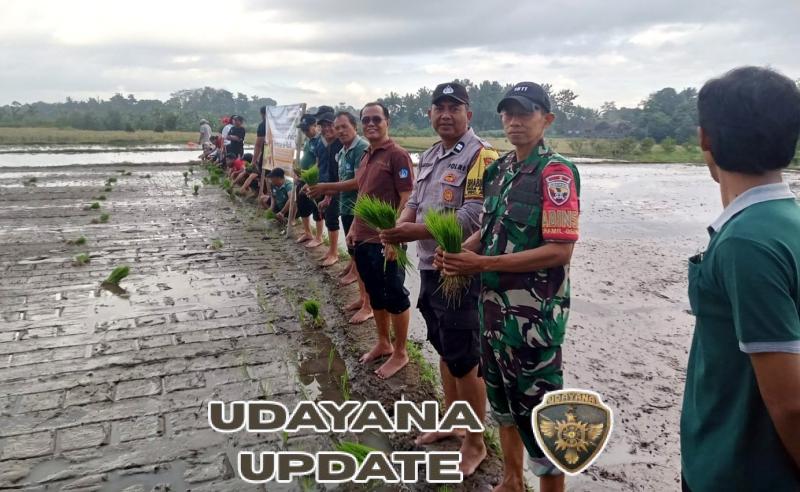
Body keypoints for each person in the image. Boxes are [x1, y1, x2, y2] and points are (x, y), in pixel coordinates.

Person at [437, 82, 580, 492]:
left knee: (542, 420)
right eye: (508, 113)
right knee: (502, 406)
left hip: (533, 324)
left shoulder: (556, 173)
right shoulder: (499, 170)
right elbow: (488, 228)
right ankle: (512, 481)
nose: (515, 121)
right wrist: (459, 253)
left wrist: (482, 263)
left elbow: (559, 251)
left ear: (546, 119)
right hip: (493, 316)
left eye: (526, 113)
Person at [680, 66, 800, 492]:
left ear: (705, 139)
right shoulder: (785, 222)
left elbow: (791, 406)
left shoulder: (746, 243)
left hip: (738, 471)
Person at [380, 82, 497, 476]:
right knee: (444, 348)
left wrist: (412, 233)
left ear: (469, 114)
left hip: (459, 272)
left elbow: (473, 217)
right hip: (431, 268)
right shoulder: (430, 154)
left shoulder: (483, 156)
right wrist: (397, 231)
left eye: (455, 107)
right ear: (429, 113)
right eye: (439, 107)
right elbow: (413, 202)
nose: (446, 114)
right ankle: (453, 419)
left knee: (466, 360)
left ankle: (476, 442)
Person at [349, 102, 414, 379]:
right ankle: (383, 342)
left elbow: (407, 197)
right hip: (363, 238)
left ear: (387, 121)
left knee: (395, 295)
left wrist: (393, 237)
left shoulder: (397, 156)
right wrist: (353, 227)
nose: (371, 124)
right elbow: (362, 195)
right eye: (366, 120)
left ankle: (400, 352)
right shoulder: (366, 155)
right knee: (375, 293)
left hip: (386, 241)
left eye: (377, 119)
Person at [307, 111, 373, 324]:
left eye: (344, 126)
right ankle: (362, 298)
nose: (340, 131)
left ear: (355, 126)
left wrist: (327, 187)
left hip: (358, 210)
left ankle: (369, 305)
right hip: (346, 207)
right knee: (356, 257)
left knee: (364, 261)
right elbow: (342, 179)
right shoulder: (343, 152)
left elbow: (358, 182)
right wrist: (329, 196)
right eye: (337, 128)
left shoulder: (361, 148)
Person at [312, 106, 344, 267]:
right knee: (331, 217)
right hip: (331, 186)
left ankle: (334, 253)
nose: (326, 129)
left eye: (329, 125)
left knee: (333, 218)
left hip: (341, 188)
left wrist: (328, 195)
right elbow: (328, 170)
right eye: (323, 126)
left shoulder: (340, 144)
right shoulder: (329, 144)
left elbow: (339, 175)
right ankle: (332, 250)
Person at [294, 114, 325, 247]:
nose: (305, 132)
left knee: (317, 208)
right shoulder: (308, 140)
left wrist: (308, 182)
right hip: (303, 178)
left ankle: (319, 237)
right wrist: (297, 174)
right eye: (303, 129)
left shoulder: (320, 141)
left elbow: (319, 164)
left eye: (307, 129)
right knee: (302, 205)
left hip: (313, 181)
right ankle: (307, 232)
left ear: (316, 126)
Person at [237, 106, 267, 195]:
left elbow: (258, 145)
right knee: (266, 177)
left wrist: (253, 162)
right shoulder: (278, 123)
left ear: (262, 114)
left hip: (267, 156)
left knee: (264, 176)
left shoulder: (263, 125)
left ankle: (263, 195)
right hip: (277, 156)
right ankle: (262, 194)